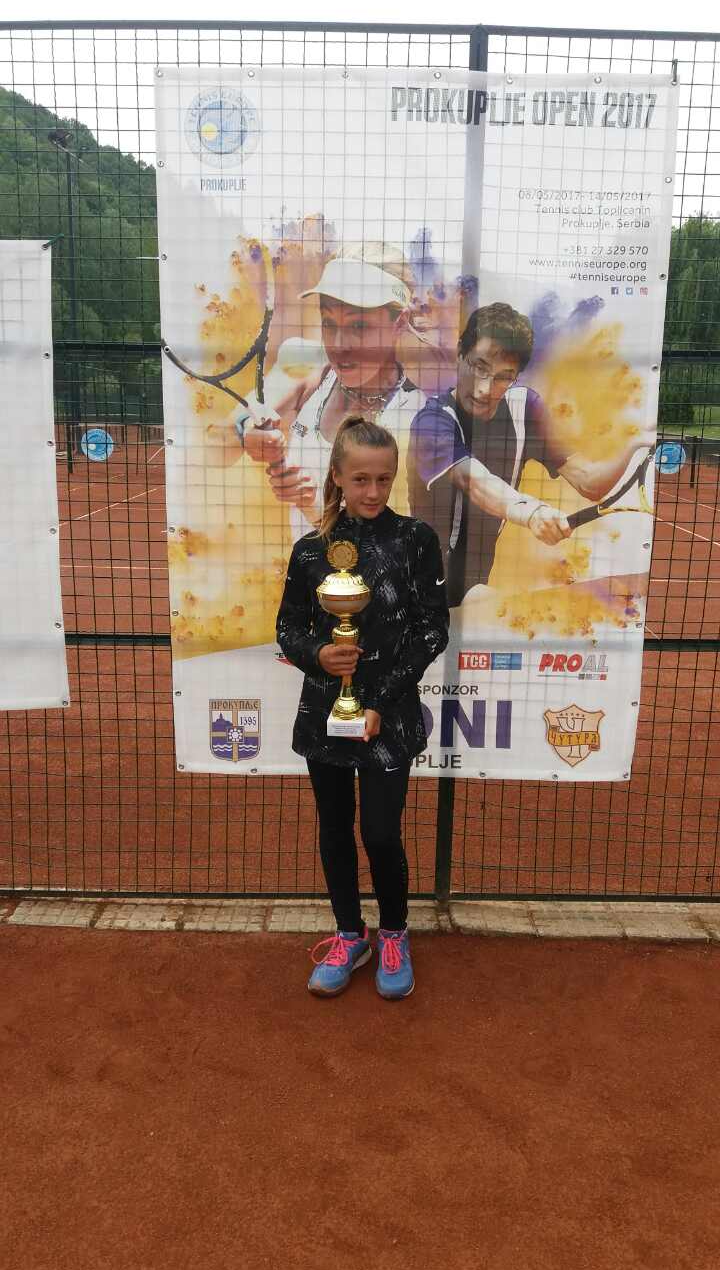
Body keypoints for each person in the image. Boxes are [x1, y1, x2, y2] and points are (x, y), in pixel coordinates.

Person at [276, 417, 449, 1000]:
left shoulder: (416, 540)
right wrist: (319, 655)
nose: (373, 492)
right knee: (334, 829)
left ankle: (394, 934)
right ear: (337, 477)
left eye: (383, 479)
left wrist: (378, 701)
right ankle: (350, 935)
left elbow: (432, 630)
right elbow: (288, 628)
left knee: (379, 832)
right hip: (324, 712)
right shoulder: (311, 551)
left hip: (389, 715)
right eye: (360, 479)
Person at [408, 302, 655, 607]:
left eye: (503, 376)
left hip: (473, 583)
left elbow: (588, 481)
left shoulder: (524, 409)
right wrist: (532, 512)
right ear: (460, 354)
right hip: (423, 582)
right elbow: (474, 481)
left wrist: (632, 444)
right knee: (506, 614)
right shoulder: (432, 421)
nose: (485, 388)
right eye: (479, 367)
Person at [240, 244, 426, 541]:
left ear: (399, 323)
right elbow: (236, 424)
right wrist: (250, 431)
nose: (339, 345)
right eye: (328, 323)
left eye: (359, 326)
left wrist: (310, 502)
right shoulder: (316, 375)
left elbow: (379, 552)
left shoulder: (417, 420)